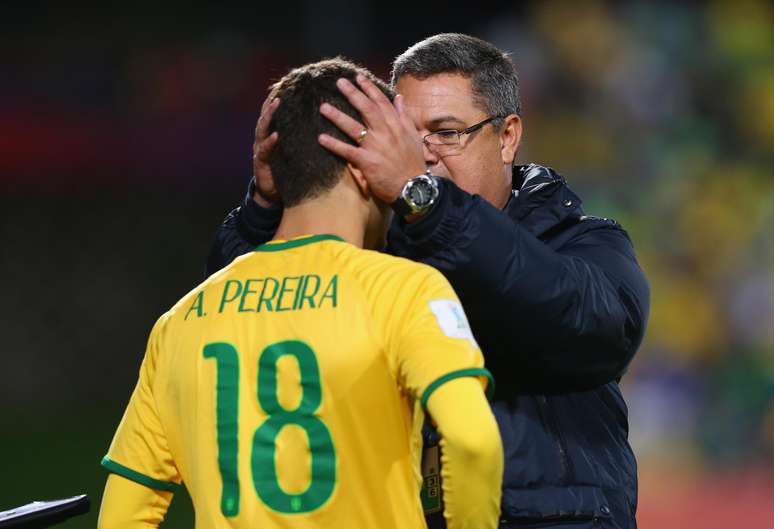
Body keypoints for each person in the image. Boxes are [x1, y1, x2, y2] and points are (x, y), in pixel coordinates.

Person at [208, 34, 650, 529]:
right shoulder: (370, 252)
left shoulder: (582, 242)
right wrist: (265, 211)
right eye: (405, 136)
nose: (422, 156)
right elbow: (238, 323)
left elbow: (597, 329)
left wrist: (425, 199)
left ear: (507, 137)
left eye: (446, 132)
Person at [97, 58, 503, 529]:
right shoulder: (402, 289)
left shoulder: (182, 320)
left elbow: (127, 507)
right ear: (363, 166)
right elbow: (473, 441)